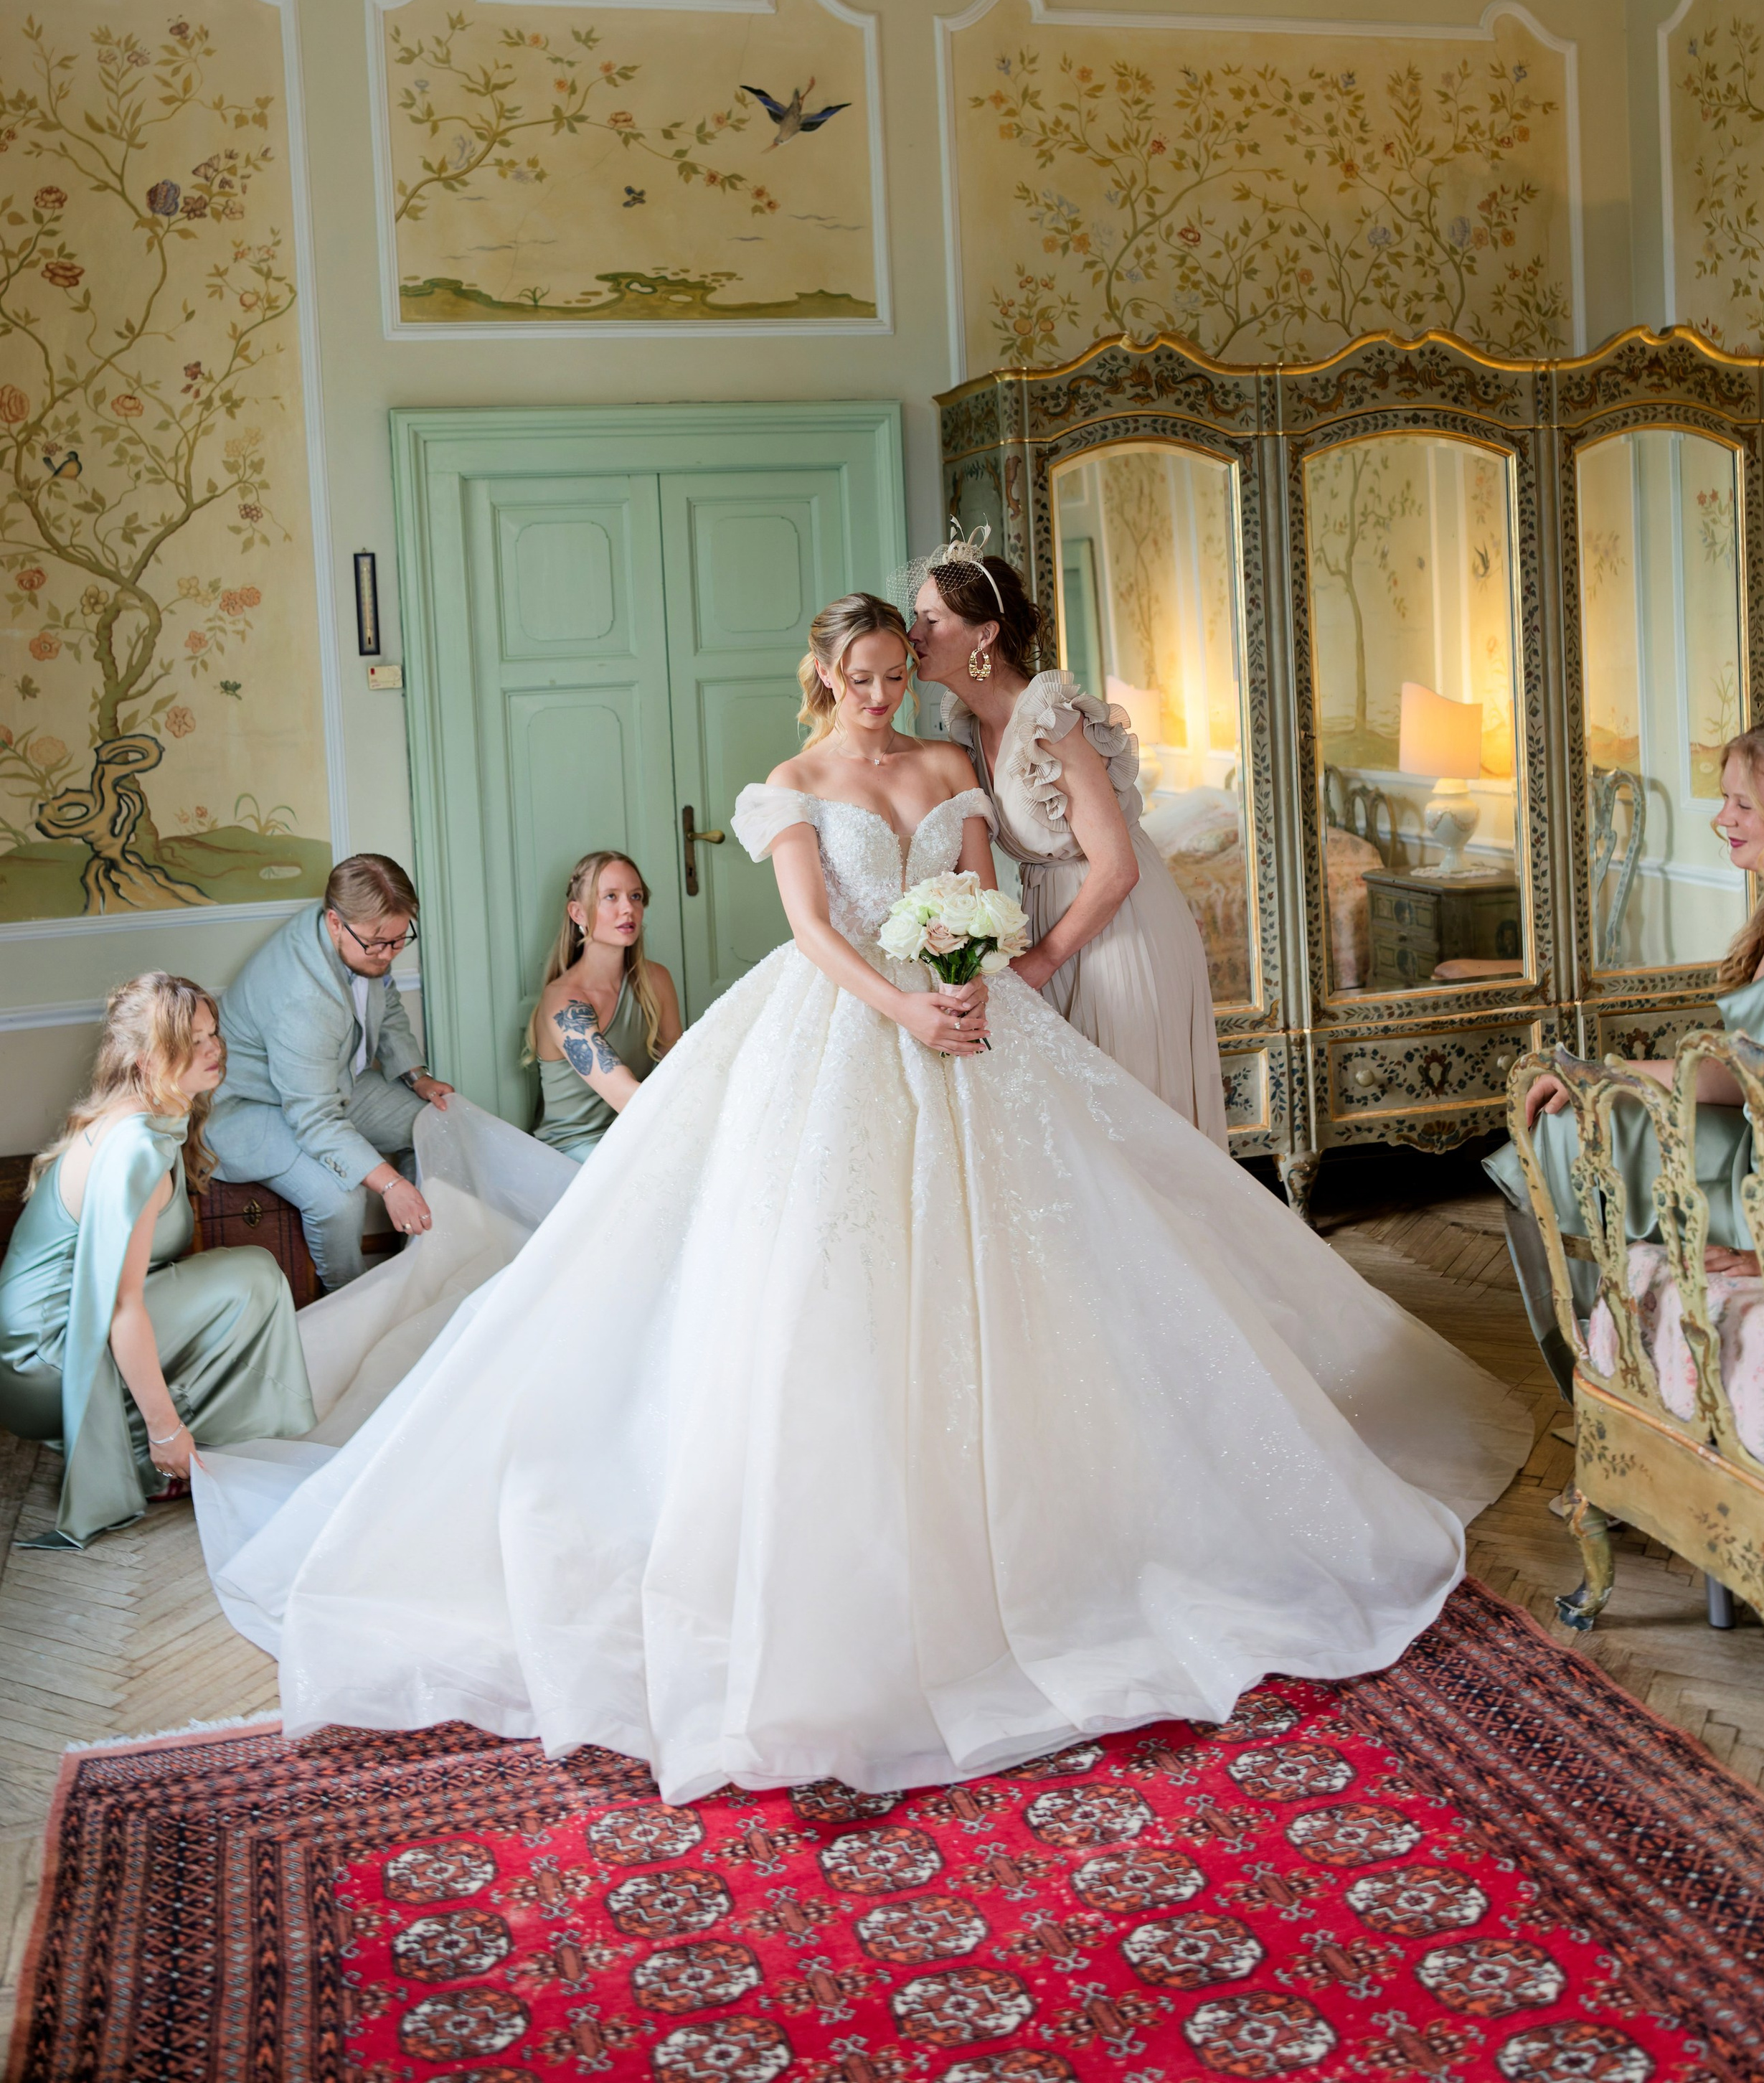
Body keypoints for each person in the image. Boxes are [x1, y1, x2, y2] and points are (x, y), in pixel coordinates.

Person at [197, 590, 1527, 1802]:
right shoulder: (791, 784)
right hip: (849, 1024)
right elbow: (817, 933)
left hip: (976, 1014)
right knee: (839, 1278)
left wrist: (977, 978)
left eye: (898, 671)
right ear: (823, 675)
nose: (882, 692)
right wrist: (908, 1003)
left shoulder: (952, 765)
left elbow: (987, 898)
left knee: (1062, 1260)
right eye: (861, 674)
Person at [1487, 713, 1764, 1384]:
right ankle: (1605, 1373)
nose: (1722, 819)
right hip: (1758, 1148)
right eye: (1725, 800)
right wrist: (1597, 1073)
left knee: (1564, 1138)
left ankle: (1599, 1379)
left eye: (1744, 803)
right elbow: (1747, 1076)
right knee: (1563, 1123)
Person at [909, 530, 1231, 1149]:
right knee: (1077, 1135)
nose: (914, 634)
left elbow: (1117, 869)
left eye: (932, 619)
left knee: (1133, 1125)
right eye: (915, 618)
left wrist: (1041, 962)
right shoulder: (971, 731)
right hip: (1051, 921)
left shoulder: (1050, 721)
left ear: (984, 635)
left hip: (1120, 927)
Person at [0, 976, 314, 1549]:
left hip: (49, 1345)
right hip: (48, 1360)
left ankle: (172, 1435)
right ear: (146, 1061)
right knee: (253, 1280)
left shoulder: (146, 1116)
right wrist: (165, 1432)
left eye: (213, 1033)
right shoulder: (134, 1150)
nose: (214, 1048)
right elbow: (121, 1308)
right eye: (193, 1041)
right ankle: (156, 1451)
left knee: (247, 1272)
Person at [206, 854, 453, 1291]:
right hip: (256, 1108)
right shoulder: (299, 996)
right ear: (335, 923)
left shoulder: (364, 935)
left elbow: (388, 1002)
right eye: (379, 943)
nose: (389, 954)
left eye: (399, 941)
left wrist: (417, 1076)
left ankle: (417, 1272)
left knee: (434, 1123)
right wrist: (391, 1184)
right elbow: (315, 1117)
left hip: (328, 1083)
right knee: (342, 1200)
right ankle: (346, 1302)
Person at [527, 850, 682, 1158]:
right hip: (575, 1153)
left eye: (635, 896)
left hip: (636, 1136)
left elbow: (678, 1069)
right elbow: (625, 1096)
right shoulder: (563, 1002)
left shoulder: (656, 980)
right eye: (611, 897)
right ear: (578, 913)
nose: (628, 909)